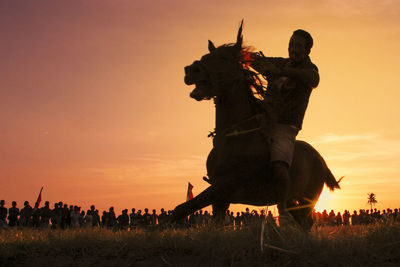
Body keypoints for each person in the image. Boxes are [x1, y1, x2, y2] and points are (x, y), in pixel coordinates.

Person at [251, 30, 319, 222]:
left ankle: (284, 211)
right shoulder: (281, 61)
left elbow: (314, 80)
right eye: (291, 44)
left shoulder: (310, 69)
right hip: (265, 118)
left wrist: (280, 72)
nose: (292, 49)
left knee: (280, 165)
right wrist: (247, 56)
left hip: (286, 125)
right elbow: (256, 61)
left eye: (298, 45)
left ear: (307, 50)